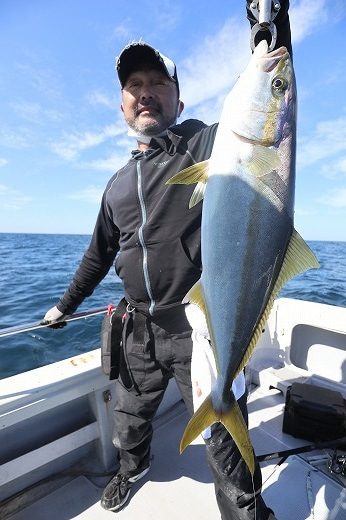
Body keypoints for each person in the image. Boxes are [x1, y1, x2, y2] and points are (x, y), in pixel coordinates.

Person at [42, 2, 292, 518]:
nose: (145, 92)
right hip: (137, 328)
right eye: (135, 85)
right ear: (123, 105)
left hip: (197, 328)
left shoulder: (207, 144)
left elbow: (269, 111)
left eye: (158, 82)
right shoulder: (115, 186)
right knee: (130, 417)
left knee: (225, 445)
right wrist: (64, 306)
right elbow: (97, 255)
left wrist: (269, 26)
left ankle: (246, 510)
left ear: (179, 100)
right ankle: (129, 471)